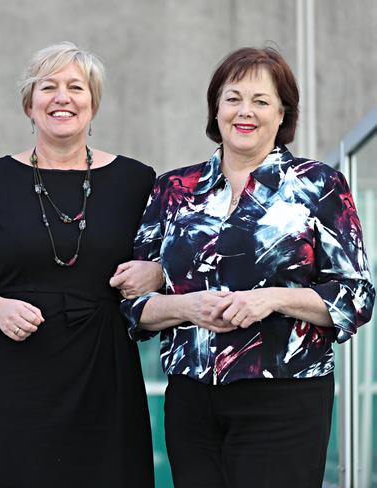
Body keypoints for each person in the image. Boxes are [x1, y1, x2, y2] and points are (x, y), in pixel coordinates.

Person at [120, 46, 375, 488]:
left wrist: (271, 299)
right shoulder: (173, 189)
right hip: (190, 397)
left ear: (282, 115)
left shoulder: (319, 185)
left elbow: (356, 296)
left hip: (285, 394)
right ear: (216, 108)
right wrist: (187, 307)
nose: (245, 111)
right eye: (233, 97)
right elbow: (133, 304)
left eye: (261, 101)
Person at [0, 42, 155, 487]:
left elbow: (171, 264)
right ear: (30, 103)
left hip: (103, 377)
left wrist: (154, 272)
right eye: (49, 87)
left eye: (75, 87)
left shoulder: (137, 181)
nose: (62, 97)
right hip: (8, 379)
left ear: (93, 103)